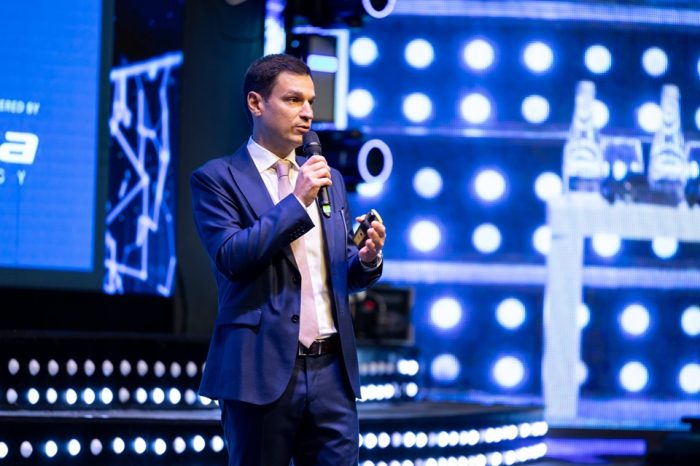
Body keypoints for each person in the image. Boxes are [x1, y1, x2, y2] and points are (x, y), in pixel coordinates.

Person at [190, 53, 386, 466]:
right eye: (294, 100)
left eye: (311, 101)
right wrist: (297, 202)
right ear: (256, 103)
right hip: (259, 370)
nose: (308, 113)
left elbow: (338, 270)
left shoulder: (328, 180)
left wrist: (366, 260)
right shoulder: (217, 178)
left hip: (332, 372)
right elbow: (233, 257)